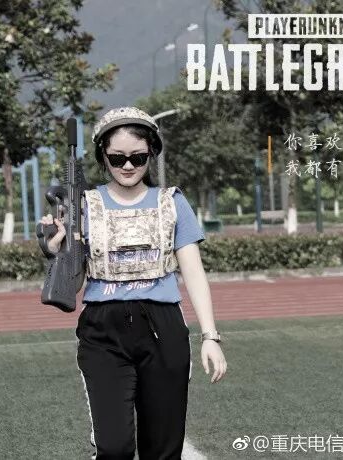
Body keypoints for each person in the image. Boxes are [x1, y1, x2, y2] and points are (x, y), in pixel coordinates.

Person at [39, 106, 227, 459]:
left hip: (163, 329)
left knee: (163, 449)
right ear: (103, 156)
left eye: (138, 157)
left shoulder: (173, 203)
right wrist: (56, 250)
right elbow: (72, 284)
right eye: (117, 158)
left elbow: (194, 273)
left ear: (151, 154)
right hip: (102, 331)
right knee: (114, 447)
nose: (127, 166)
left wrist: (210, 336)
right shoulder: (83, 205)